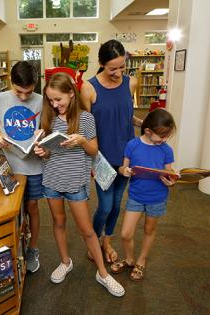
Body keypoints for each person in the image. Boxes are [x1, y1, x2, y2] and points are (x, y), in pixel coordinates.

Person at [34, 72, 125, 297]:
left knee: (86, 230)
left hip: (76, 181)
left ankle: (103, 273)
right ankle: (65, 262)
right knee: (58, 222)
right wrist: (41, 151)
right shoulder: (47, 118)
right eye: (50, 100)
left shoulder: (85, 119)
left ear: (71, 95)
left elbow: (94, 151)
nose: (55, 105)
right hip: (52, 180)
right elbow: (46, 154)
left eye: (59, 99)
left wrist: (82, 140)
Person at [80, 39, 142, 263]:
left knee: (117, 204)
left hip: (126, 156)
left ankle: (107, 240)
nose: (117, 73)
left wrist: (145, 124)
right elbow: (85, 127)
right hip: (102, 159)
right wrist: (89, 162)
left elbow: (126, 116)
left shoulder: (131, 83)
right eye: (112, 68)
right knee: (105, 205)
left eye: (121, 67)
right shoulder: (88, 88)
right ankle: (94, 241)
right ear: (101, 63)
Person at [0, 61, 43, 273]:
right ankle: (16, 246)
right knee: (14, 209)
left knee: (33, 207)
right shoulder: (1, 98)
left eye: (28, 92)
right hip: (9, 162)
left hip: (33, 163)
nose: (23, 97)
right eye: (19, 92)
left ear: (35, 85)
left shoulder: (40, 101)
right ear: (11, 82)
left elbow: (44, 127)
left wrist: (42, 133)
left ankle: (33, 248)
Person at [110, 109, 176, 281]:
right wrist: (125, 171)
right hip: (136, 195)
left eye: (167, 136)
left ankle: (141, 260)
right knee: (126, 233)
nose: (164, 139)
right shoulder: (133, 145)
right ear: (148, 131)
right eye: (162, 136)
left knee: (149, 229)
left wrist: (171, 179)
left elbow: (169, 172)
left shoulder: (166, 150)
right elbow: (122, 167)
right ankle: (130, 258)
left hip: (157, 197)